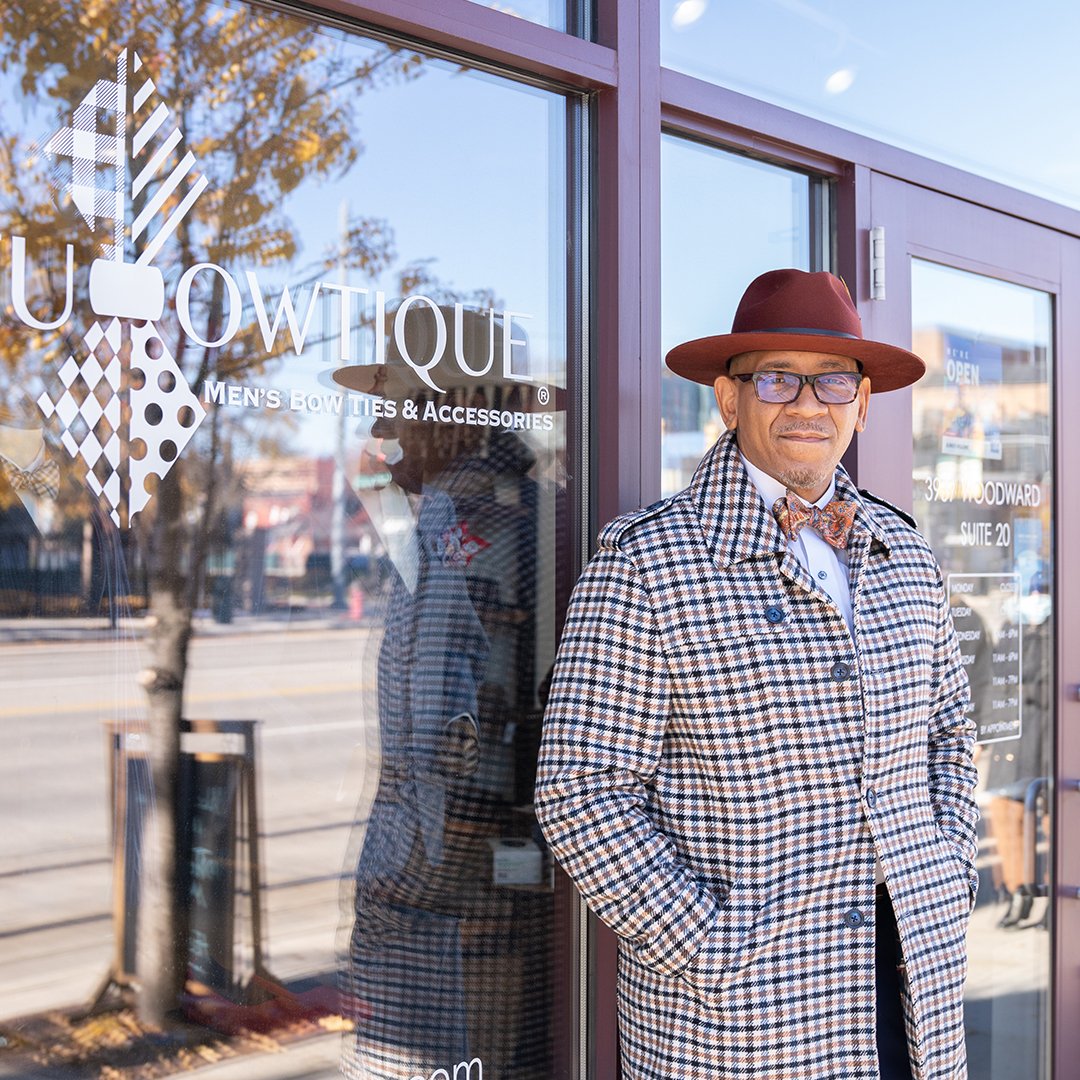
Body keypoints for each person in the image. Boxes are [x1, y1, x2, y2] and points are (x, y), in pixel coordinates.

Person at [533, 268, 979, 1080]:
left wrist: (947, 869)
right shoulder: (646, 562)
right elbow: (581, 790)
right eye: (778, 378)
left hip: (908, 986)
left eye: (834, 381)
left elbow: (949, 734)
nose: (808, 404)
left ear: (864, 403)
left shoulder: (907, 553)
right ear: (729, 400)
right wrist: (709, 946)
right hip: (741, 1019)